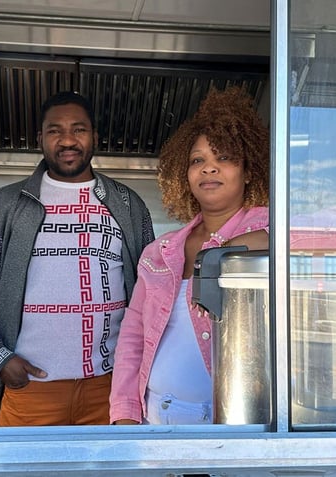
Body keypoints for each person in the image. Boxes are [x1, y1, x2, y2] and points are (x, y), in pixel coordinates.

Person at [0, 91, 155, 426]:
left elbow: (151, 292)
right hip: (31, 388)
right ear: (40, 139)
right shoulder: (3, 205)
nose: (67, 140)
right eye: (55, 130)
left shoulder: (128, 204)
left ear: (95, 138)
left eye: (78, 129)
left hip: (112, 388)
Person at [109, 86, 270, 425]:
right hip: (158, 416)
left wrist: (246, 244)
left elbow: (335, 237)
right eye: (198, 160)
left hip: (238, 421)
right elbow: (133, 337)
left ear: (249, 169)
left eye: (224, 158)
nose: (209, 169)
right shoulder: (160, 252)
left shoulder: (276, 227)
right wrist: (124, 415)